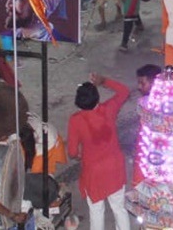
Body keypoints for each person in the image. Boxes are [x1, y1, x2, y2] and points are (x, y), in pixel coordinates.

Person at [66, 73, 130, 230]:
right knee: (119, 208)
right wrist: (104, 81)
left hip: (94, 172)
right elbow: (124, 91)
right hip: (115, 167)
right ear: (97, 98)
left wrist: (80, 155)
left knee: (96, 210)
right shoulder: (108, 109)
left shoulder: (76, 120)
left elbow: (72, 152)